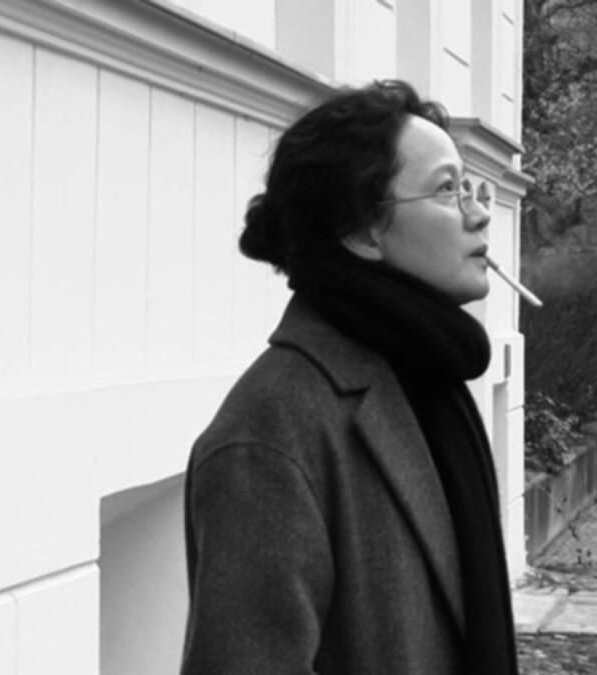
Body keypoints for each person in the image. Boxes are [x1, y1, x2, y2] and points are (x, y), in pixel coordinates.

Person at [180, 80, 518, 674]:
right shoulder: (272, 431)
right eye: (448, 189)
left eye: (471, 187)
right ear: (363, 232)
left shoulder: (427, 381)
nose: (480, 211)